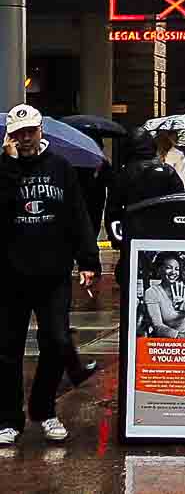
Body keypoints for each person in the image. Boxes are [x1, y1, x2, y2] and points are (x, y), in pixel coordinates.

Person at [0, 104, 101, 444]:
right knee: (7, 349)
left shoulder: (60, 167)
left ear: (40, 131)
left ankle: (44, 410)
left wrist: (88, 261)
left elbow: (77, 215)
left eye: (30, 131)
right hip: (9, 274)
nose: (26, 139)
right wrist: (10, 166)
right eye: (19, 134)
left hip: (53, 273)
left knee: (57, 342)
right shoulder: (2, 168)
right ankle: (8, 419)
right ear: (10, 137)